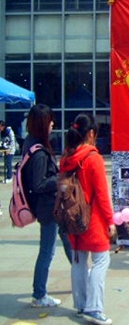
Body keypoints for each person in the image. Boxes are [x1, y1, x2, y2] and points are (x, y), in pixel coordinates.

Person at [60, 113, 116, 325]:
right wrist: (110, 221)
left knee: (78, 260)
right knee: (101, 261)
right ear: (91, 133)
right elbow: (102, 194)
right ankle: (95, 307)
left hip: (72, 217)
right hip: (92, 219)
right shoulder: (93, 158)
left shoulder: (66, 158)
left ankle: (81, 304)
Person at [20, 104, 72, 308]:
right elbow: (39, 183)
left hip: (51, 206)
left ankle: (81, 274)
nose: (53, 124)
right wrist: (60, 179)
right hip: (48, 207)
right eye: (50, 120)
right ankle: (39, 294)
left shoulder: (31, 143)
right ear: (42, 123)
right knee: (47, 251)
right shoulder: (39, 152)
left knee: (67, 239)